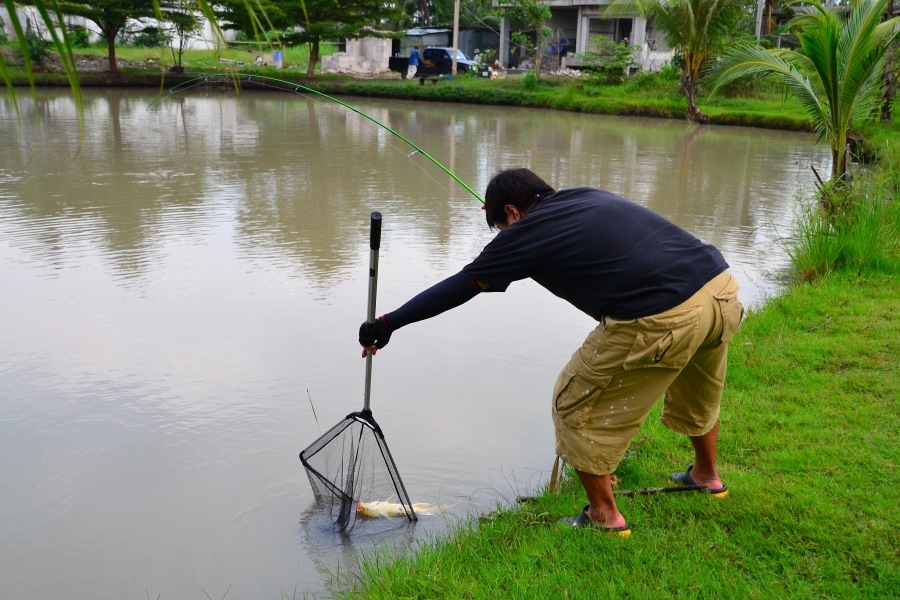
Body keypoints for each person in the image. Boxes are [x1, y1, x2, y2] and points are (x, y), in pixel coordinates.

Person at [359, 168, 744, 535]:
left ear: (512, 211)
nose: (504, 234)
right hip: (720, 289)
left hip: (666, 311)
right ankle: (706, 476)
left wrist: (389, 323)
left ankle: (604, 517)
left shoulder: (525, 231)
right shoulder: (583, 196)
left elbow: (462, 285)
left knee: (572, 402)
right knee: (699, 387)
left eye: (501, 225)